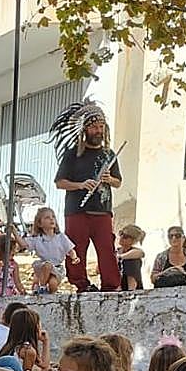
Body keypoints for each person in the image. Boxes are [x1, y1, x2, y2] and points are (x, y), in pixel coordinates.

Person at [50, 101, 122, 292]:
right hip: (77, 211)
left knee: (107, 249)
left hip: (103, 211)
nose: (98, 131)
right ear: (86, 129)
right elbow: (59, 182)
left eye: (101, 127)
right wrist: (80, 185)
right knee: (76, 249)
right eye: (94, 127)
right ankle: (81, 284)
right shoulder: (72, 154)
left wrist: (109, 179)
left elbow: (118, 182)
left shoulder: (109, 154)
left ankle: (111, 285)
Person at [20, 207, 75, 294]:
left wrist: (74, 257)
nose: (51, 219)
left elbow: (70, 249)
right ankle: (41, 287)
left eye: (53, 217)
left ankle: (49, 294)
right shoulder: (37, 239)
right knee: (47, 266)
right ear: (40, 224)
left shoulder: (61, 237)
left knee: (53, 284)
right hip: (43, 266)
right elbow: (23, 244)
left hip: (57, 268)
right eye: (47, 217)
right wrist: (15, 233)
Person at [115, 223, 145, 291]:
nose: (121, 237)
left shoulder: (134, 251)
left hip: (130, 284)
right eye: (121, 233)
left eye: (125, 236)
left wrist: (119, 257)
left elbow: (141, 253)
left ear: (133, 240)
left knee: (132, 260)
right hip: (117, 284)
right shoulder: (115, 251)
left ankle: (131, 289)